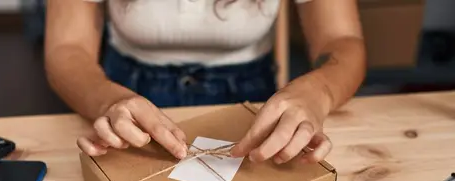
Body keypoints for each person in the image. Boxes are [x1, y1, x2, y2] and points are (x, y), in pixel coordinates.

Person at [44, 0, 366, 164]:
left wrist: (316, 92)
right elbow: (67, 48)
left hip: (252, 95)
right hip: (125, 92)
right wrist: (106, 101)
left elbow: (342, 39)